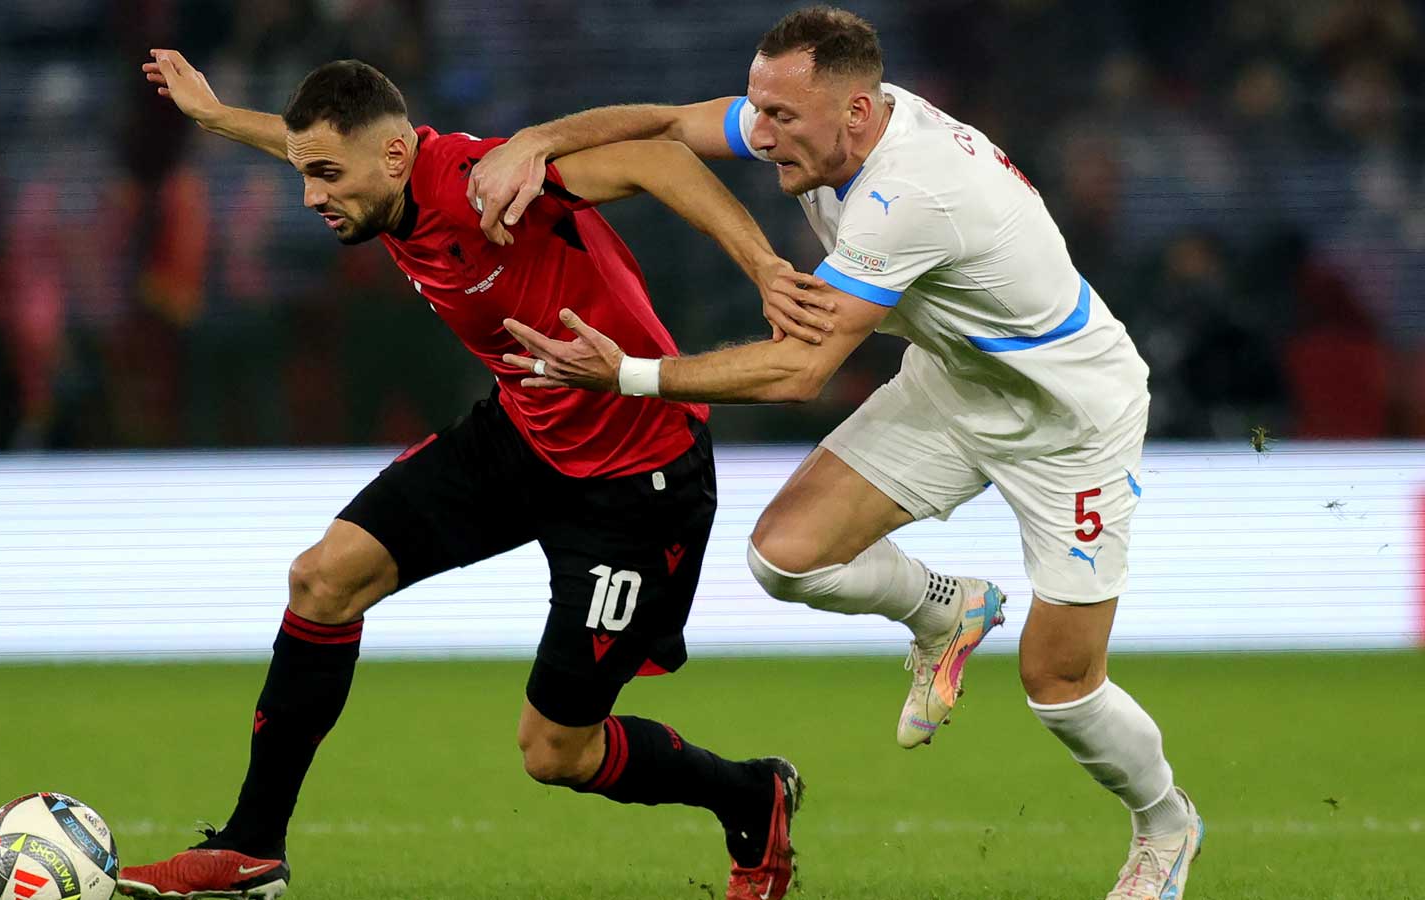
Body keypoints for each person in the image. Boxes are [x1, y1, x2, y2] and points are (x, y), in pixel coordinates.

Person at [472, 7, 1203, 899]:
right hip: (954, 385)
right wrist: (533, 143)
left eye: (781, 119)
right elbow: (665, 126)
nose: (761, 134)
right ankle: (947, 610)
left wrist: (624, 373)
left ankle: (1166, 824)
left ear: (858, 111)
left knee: (1058, 680)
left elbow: (798, 370)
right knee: (785, 559)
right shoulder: (820, 126)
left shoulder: (912, 194)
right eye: (757, 110)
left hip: (1071, 423)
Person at [117, 50, 820, 900]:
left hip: (636, 475)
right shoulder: (383, 179)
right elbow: (323, 147)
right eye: (308, 174)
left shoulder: (484, 184)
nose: (311, 197)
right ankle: (252, 847)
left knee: (557, 752)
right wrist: (219, 116)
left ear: (393, 158)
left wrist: (766, 271)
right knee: (322, 580)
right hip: (521, 433)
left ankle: (751, 795)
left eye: (326, 176)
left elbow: (658, 156)